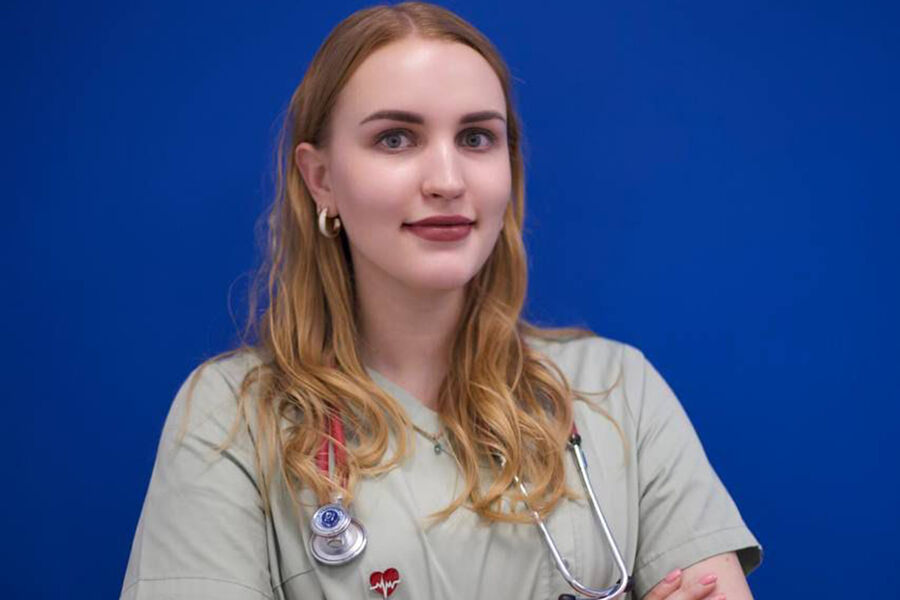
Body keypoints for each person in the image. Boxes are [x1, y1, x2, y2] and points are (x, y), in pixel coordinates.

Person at [120, 3, 762, 599]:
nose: (448, 181)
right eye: (396, 139)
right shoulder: (232, 419)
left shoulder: (618, 393)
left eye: (477, 138)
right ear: (321, 179)